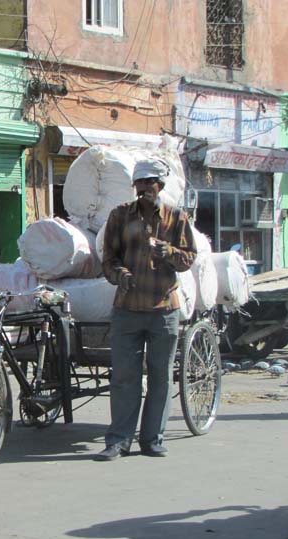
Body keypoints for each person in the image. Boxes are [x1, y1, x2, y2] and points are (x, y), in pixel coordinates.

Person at [94, 158, 197, 461]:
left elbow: (189, 258)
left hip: (163, 308)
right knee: (124, 376)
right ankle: (118, 440)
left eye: (148, 183)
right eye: (139, 184)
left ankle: (152, 438)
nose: (143, 189)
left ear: (160, 186)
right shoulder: (119, 216)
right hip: (127, 308)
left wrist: (169, 252)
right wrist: (119, 275)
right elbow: (108, 259)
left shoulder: (176, 219)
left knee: (160, 376)